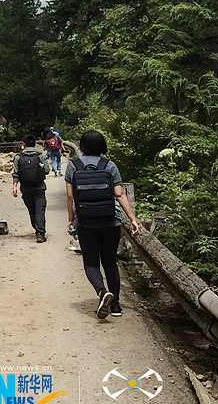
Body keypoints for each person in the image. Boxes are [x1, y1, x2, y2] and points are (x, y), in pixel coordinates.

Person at [65, 130, 143, 320]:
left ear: (82, 146)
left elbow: (69, 196)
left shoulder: (73, 166)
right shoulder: (109, 165)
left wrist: (70, 220)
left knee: (91, 263)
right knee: (110, 263)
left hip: (86, 222)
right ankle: (115, 306)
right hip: (110, 221)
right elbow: (119, 194)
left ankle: (102, 292)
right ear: (102, 146)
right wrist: (133, 218)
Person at [12, 134, 48, 243]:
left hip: (26, 188)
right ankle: (40, 233)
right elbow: (47, 170)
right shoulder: (40, 155)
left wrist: (14, 187)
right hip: (39, 187)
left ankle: (37, 228)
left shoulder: (18, 157)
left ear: (24, 144)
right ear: (35, 144)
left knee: (32, 210)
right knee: (40, 210)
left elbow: (16, 173)